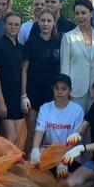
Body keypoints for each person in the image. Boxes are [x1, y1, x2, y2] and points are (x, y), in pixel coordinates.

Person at [21, 8, 61, 153]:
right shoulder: (31, 43)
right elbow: (24, 69)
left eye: (49, 20)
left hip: (50, 94)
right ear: (38, 22)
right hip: (32, 93)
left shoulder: (59, 42)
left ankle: (42, 168)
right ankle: (27, 167)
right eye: (43, 20)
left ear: (54, 23)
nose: (45, 24)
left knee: (46, 134)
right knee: (33, 132)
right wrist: (23, 94)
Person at [29, 74, 84, 174]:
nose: (60, 92)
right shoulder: (45, 108)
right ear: (53, 90)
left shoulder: (77, 110)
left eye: (64, 88)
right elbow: (39, 130)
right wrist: (35, 149)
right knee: (33, 162)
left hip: (69, 153)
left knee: (69, 183)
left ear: (70, 90)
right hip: (49, 150)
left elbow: (75, 139)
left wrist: (63, 160)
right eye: (56, 88)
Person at [61, 0, 94, 112]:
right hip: (75, 90)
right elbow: (65, 66)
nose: (80, 16)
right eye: (77, 14)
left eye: (83, 13)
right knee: (76, 123)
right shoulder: (68, 37)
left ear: (92, 13)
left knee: (93, 124)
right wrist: (66, 89)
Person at [0, 11, 24, 142]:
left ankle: (1, 162)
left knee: (6, 137)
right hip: (4, 97)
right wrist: (1, 102)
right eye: (10, 24)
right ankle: (0, 162)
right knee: (12, 137)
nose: (13, 27)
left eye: (17, 24)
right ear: (4, 25)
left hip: (15, 96)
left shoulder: (20, 47)